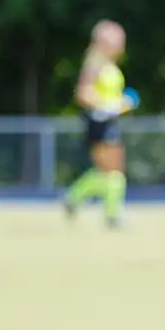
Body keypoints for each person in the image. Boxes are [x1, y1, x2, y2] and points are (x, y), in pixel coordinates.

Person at [63, 20, 139, 227]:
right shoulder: (94, 64)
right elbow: (83, 94)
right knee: (112, 170)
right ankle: (111, 213)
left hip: (109, 120)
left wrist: (121, 103)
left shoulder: (109, 65)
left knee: (110, 170)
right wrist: (109, 106)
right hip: (99, 121)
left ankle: (75, 197)